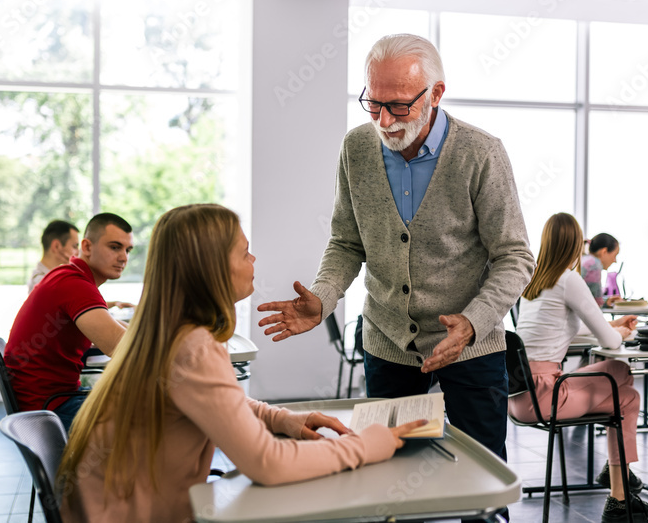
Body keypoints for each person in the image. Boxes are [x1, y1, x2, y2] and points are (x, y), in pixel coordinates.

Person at [257, 34, 535, 471]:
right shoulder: (357, 148)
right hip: (388, 341)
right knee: (388, 472)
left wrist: (474, 321)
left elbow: (515, 256)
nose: (384, 120)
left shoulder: (480, 153)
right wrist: (324, 295)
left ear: (436, 94)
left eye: (399, 105)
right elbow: (347, 241)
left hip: (471, 343)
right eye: (374, 103)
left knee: (482, 475)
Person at [57, 204, 423, 523]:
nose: (253, 261)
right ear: (213, 268)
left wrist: (282, 418)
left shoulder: (165, 330)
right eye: (245, 253)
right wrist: (372, 443)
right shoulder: (192, 346)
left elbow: (215, 400)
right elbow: (268, 463)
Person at [512, 213, 648, 522]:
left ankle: (620, 490)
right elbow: (610, 342)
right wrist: (621, 332)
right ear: (577, 244)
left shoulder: (534, 281)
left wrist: (612, 325)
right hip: (546, 395)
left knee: (627, 398)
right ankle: (619, 481)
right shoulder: (569, 279)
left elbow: (568, 329)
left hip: (519, 397)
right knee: (620, 372)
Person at [5, 213, 133, 431]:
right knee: (156, 418)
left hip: (51, 400)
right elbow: (121, 346)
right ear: (87, 246)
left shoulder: (70, 276)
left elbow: (123, 332)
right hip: (50, 408)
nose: (124, 257)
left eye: (128, 250)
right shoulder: (75, 284)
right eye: (115, 247)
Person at [28, 220, 79, 292]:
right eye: (74, 246)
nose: (78, 252)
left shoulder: (55, 277)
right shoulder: (42, 284)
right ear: (56, 246)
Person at [581, 233, 622, 307]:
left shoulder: (585, 260)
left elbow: (591, 299)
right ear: (604, 252)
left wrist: (606, 301)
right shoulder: (594, 264)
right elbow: (596, 304)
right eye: (615, 255)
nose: (615, 260)